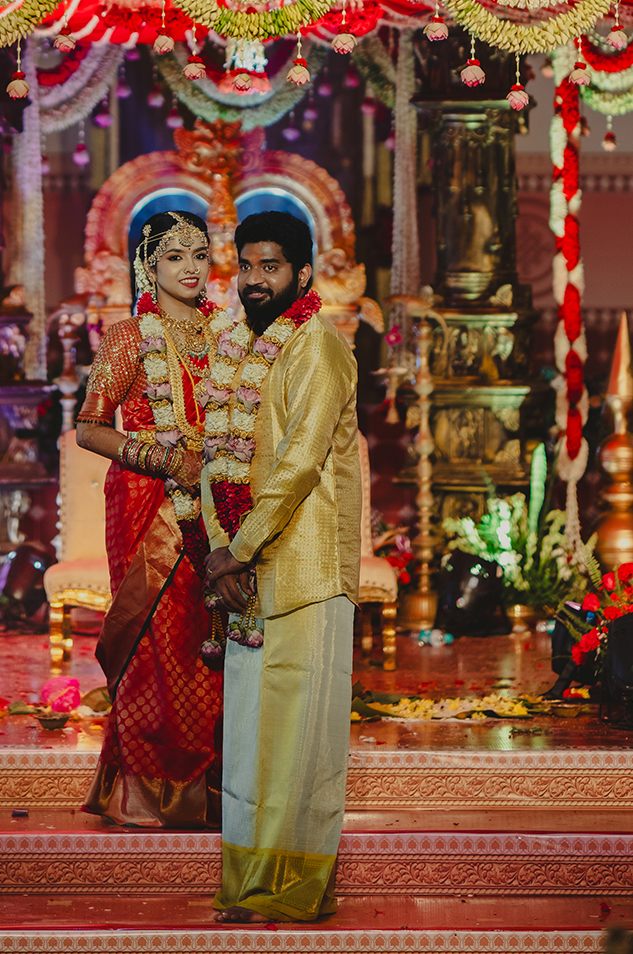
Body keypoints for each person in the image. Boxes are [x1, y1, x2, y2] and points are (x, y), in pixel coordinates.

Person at [201, 210, 360, 921]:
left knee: (300, 744)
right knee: (246, 742)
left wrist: (235, 549)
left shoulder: (318, 348)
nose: (256, 280)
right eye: (247, 266)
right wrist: (221, 553)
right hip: (244, 578)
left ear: (302, 272)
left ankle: (297, 889)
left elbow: (298, 464)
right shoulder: (235, 348)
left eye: (271, 267)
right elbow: (219, 455)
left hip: (307, 571)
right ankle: (246, 884)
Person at [76, 210, 221, 827]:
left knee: (208, 648)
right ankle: (146, 791)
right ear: (149, 266)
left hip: (220, 510)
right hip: (148, 506)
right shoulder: (128, 338)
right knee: (156, 644)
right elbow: (89, 426)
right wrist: (160, 458)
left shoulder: (229, 338)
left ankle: (211, 787)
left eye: (199, 254)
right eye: (175, 257)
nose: (190, 268)